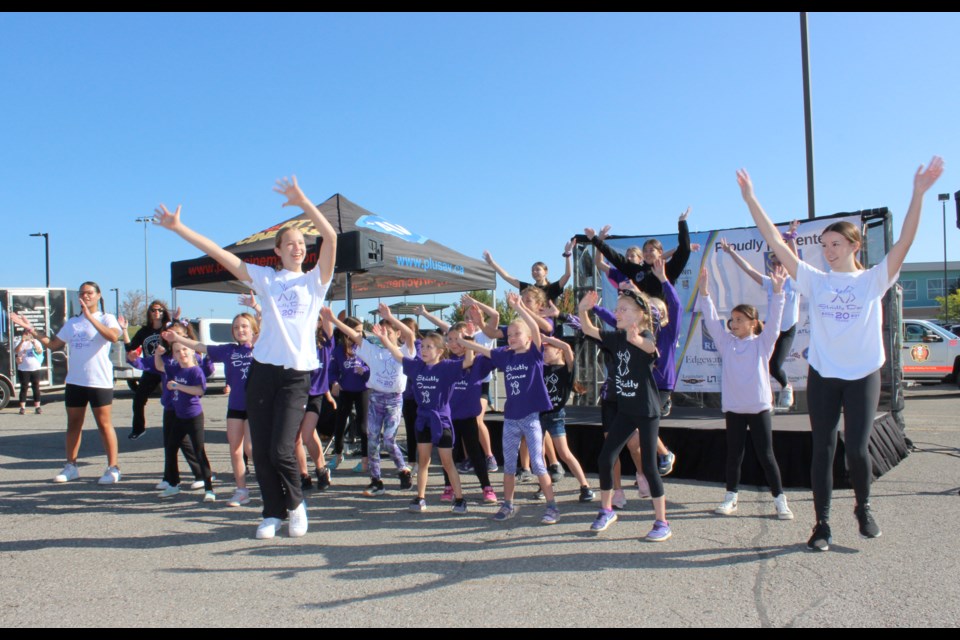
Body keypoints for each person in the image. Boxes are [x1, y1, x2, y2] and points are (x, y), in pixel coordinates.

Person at [736, 157, 944, 551]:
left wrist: (917, 194)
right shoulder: (816, 281)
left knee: (859, 448)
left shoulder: (873, 280)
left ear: (854, 245)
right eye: (825, 245)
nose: (828, 250)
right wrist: (751, 199)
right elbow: (777, 244)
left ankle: (863, 507)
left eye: (835, 244)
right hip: (825, 374)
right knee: (823, 448)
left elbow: (905, 243)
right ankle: (822, 524)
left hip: (863, 374)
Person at [153, 174, 337, 540]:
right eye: (290, 244)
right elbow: (218, 254)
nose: (297, 247)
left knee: (284, 448)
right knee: (262, 450)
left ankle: (297, 505)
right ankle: (271, 512)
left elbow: (330, 237)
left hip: (296, 376)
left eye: (301, 243)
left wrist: (303, 204)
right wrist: (179, 228)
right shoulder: (265, 278)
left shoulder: (315, 281)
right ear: (278, 251)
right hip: (262, 372)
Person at [697, 267, 793, 520]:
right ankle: (731, 497)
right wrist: (705, 292)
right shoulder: (725, 342)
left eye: (740, 319)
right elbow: (709, 318)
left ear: (752, 323)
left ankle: (780, 500)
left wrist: (778, 291)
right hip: (734, 409)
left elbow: (775, 320)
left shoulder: (763, 343)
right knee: (734, 456)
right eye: (732, 319)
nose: (734, 323)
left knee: (766, 455)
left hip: (759, 408)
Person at [459, 293, 560, 525]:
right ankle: (508, 505)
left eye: (517, 334)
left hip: (532, 418)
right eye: (510, 334)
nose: (512, 337)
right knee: (510, 464)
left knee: (537, 463)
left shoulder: (535, 355)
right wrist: (462, 341)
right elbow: (483, 350)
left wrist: (519, 307)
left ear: (528, 338)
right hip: (511, 419)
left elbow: (534, 327)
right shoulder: (505, 357)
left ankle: (552, 507)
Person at [578, 288, 671, 541]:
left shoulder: (645, 334)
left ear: (640, 315)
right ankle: (606, 510)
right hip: (626, 409)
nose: (616, 312)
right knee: (606, 458)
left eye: (623, 309)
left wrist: (637, 339)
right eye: (617, 308)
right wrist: (583, 309)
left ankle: (662, 522)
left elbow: (650, 347)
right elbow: (588, 330)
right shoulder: (616, 337)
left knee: (650, 468)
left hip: (647, 410)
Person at [11, 283, 122, 485]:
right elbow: (54, 345)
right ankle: (71, 466)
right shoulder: (73, 322)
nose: (85, 296)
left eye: (89, 293)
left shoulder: (107, 318)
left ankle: (113, 468)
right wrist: (32, 330)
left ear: (98, 295)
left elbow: (113, 336)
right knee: (73, 424)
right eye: (82, 293)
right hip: (75, 381)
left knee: (104, 424)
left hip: (99, 380)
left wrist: (90, 318)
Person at [164, 313, 257, 507]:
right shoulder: (228, 350)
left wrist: (257, 308)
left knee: (250, 447)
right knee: (235, 448)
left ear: (253, 329)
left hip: (256, 406)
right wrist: (177, 338)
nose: (240, 330)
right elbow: (201, 347)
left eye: (244, 326)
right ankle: (241, 491)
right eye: (236, 327)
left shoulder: (261, 348)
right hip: (235, 406)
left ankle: (269, 485)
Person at [327, 304, 415, 497]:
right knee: (372, 439)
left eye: (389, 332)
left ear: (396, 333)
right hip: (376, 397)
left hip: (394, 400)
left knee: (389, 439)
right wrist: (334, 320)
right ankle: (376, 481)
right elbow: (355, 335)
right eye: (382, 332)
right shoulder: (373, 350)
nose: (385, 335)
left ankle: (403, 469)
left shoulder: (405, 352)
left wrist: (390, 317)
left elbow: (410, 334)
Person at [379, 329, 471, 514]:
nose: (424, 350)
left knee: (447, 461)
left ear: (440, 351)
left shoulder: (447, 366)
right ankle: (420, 497)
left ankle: (460, 499)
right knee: (423, 461)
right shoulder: (417, 367)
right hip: (423, 420)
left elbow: (468, 361)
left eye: (430, 347)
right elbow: (398, 355)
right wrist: (384, 339)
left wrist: (468, 342)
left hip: (441, 420)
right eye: (423, 347)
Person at [720, 222, 802, 412]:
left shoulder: (795, 282)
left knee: (774, 365)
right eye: (774, 263)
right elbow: (748, 270)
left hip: (787, 329)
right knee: (759, 363)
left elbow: (795, 261)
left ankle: (786, 386)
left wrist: (790, 238)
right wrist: (731, 253)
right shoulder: (769, 282)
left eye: (781, 263)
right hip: (770, 328)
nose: (777, 266)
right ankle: (765, 398)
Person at [153, 338, 214, 502]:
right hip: (179, 417)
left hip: (193, 417)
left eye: (185, 350)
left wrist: (178, 386)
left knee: (199, 450)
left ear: (192, 351)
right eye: (177, 351)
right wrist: (158, 354)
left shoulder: (196, 371)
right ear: (174, 355)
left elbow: (199, 390)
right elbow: (159, 366)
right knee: (171, 448)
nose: (182, 354)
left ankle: (209, 488)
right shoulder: (175, 369)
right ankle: (173, 484)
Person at [585, 209, 693, 300]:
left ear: (660, 252)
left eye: (651, 250)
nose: (647, 253)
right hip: (640, 321)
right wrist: (595, 239)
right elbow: (615, 257)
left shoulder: (668, 270)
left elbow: (684, 250)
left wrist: (682, 223)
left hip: (661, 320)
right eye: (645, 250)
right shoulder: (636, 271)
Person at [539, 334, 595, 502]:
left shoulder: (567, 370)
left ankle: (585, 486)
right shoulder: (541, 368)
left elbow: (568, 349)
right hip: (539, 415)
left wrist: (545, 337)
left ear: (558, 351)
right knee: (539, 453)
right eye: (543, 349)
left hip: (556, 416)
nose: (544, 352)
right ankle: (544, 485)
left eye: (547, 349)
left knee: (564, 452)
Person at [122, 301, 172, 440]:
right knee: (138, 399)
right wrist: (124, 330)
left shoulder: (167, 328)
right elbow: (130, 347)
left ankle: (176, 428)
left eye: (160, 310)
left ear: (164, 312)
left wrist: (177, 320)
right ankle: (138, 429)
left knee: (172, 399)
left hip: (166, 370)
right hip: (151, 370)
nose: (157, 313)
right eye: (153, 310)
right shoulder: (144, 331)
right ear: (149, 313)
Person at [328, 316, 371, 473]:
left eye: (361, 331)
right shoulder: (338, 350)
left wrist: (364, 370)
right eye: (357, 331)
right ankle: (338, 455)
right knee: (339, 424)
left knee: (364, 427)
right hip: (345, 391)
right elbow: (332, 371)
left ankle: (365, 460)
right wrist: (334, 382)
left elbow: (373, 366)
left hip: (363, 390)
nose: (360, 334)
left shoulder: (365, 347)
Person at [482, 238, 575, 304]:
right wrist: (491, 262)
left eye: (538, 269)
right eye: (532, 270)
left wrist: (567, 255)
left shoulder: (553, 288)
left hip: (548, 328)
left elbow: (567, 275)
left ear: (546, 272)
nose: (534, 272)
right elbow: (507, 277)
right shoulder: (529, 288)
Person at [14, 332, 44, 414]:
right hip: (23, 369)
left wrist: (34, 344)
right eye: (26, 334)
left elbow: (40, 352)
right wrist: (22, 341)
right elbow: (16, 351)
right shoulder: (19, 341)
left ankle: (37, 407)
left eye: (29, 334)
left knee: (36, 387)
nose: (27, 336)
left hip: (35, 368)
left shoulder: (36, 341)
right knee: (24, 387)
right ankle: (22, 407)